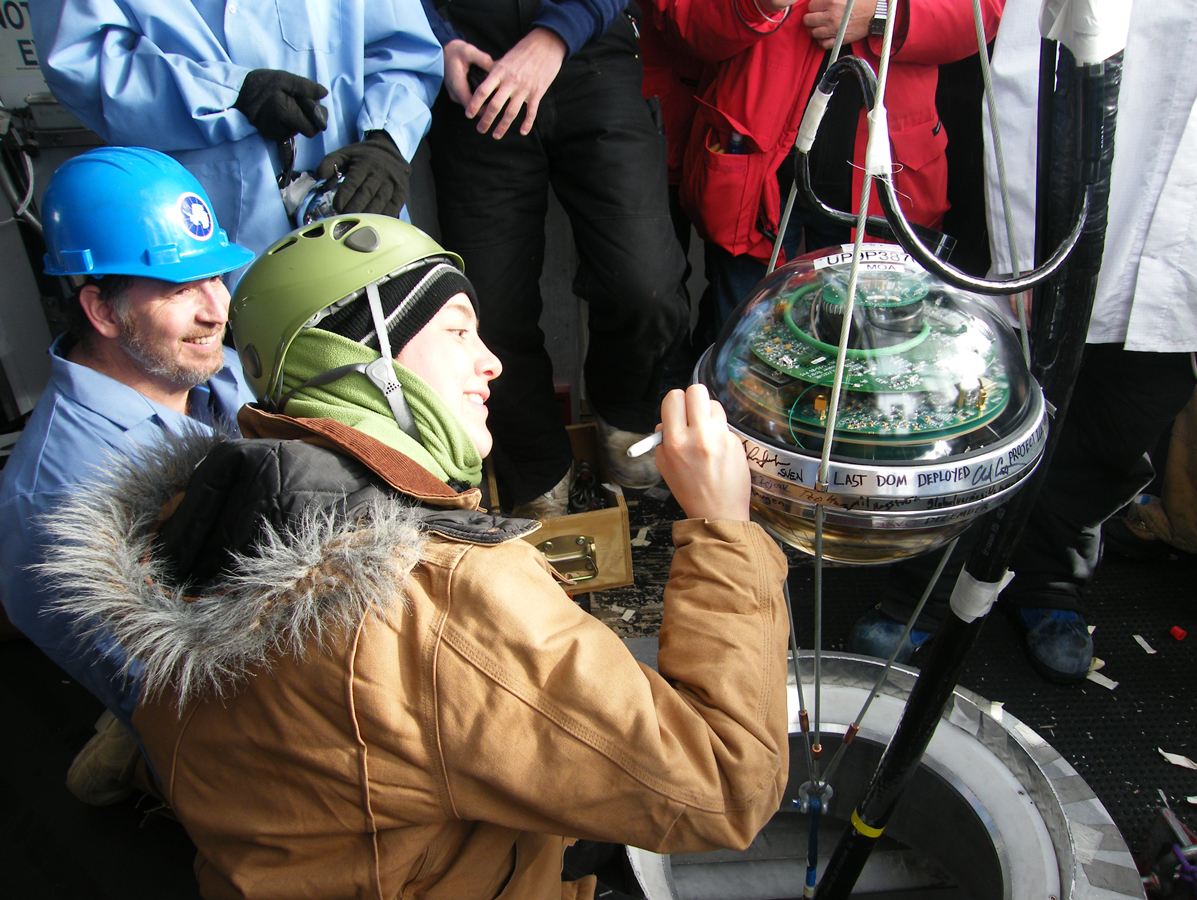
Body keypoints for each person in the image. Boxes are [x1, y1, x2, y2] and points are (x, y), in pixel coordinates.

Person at [35, 214, 791, 899]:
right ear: (358, 358)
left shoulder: (199, 513)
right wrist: (723, 527)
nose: (492, 362)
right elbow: (725, 786)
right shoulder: (440, 596)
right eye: (459, 331)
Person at [848, 0, 1197, 683]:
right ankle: (928, 576)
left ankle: (1049, 574)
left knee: (1122, 414)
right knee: (975, 392)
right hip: (1070, 116)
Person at [0, 147, 256, 796]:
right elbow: (177, 695)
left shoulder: (207, 365)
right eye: (179, 289)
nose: (216, 310)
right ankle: (141, 769)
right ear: (103, 312)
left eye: (216, 277)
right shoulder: (59, 502)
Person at [420, 0, 690, 515]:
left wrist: (554, 37)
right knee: (489, 309)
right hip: (473, 79)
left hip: (591, 57)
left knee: (645, 283)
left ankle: (624, 413)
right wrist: (435, 39)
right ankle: (538, 466)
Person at [651, 0, 1002, 342]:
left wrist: (881, 14)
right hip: (754, 182)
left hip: (884, 181)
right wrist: (754, 5)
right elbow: (679, 18)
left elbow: (983, 12)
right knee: (745, 369)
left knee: (872, 372)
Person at [31, 0, 443, 264]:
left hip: (360, 214)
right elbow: (83, 60)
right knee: (243, 385)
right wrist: (230, 94)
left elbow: (403, 51)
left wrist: (387, 140)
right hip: (210, 236)